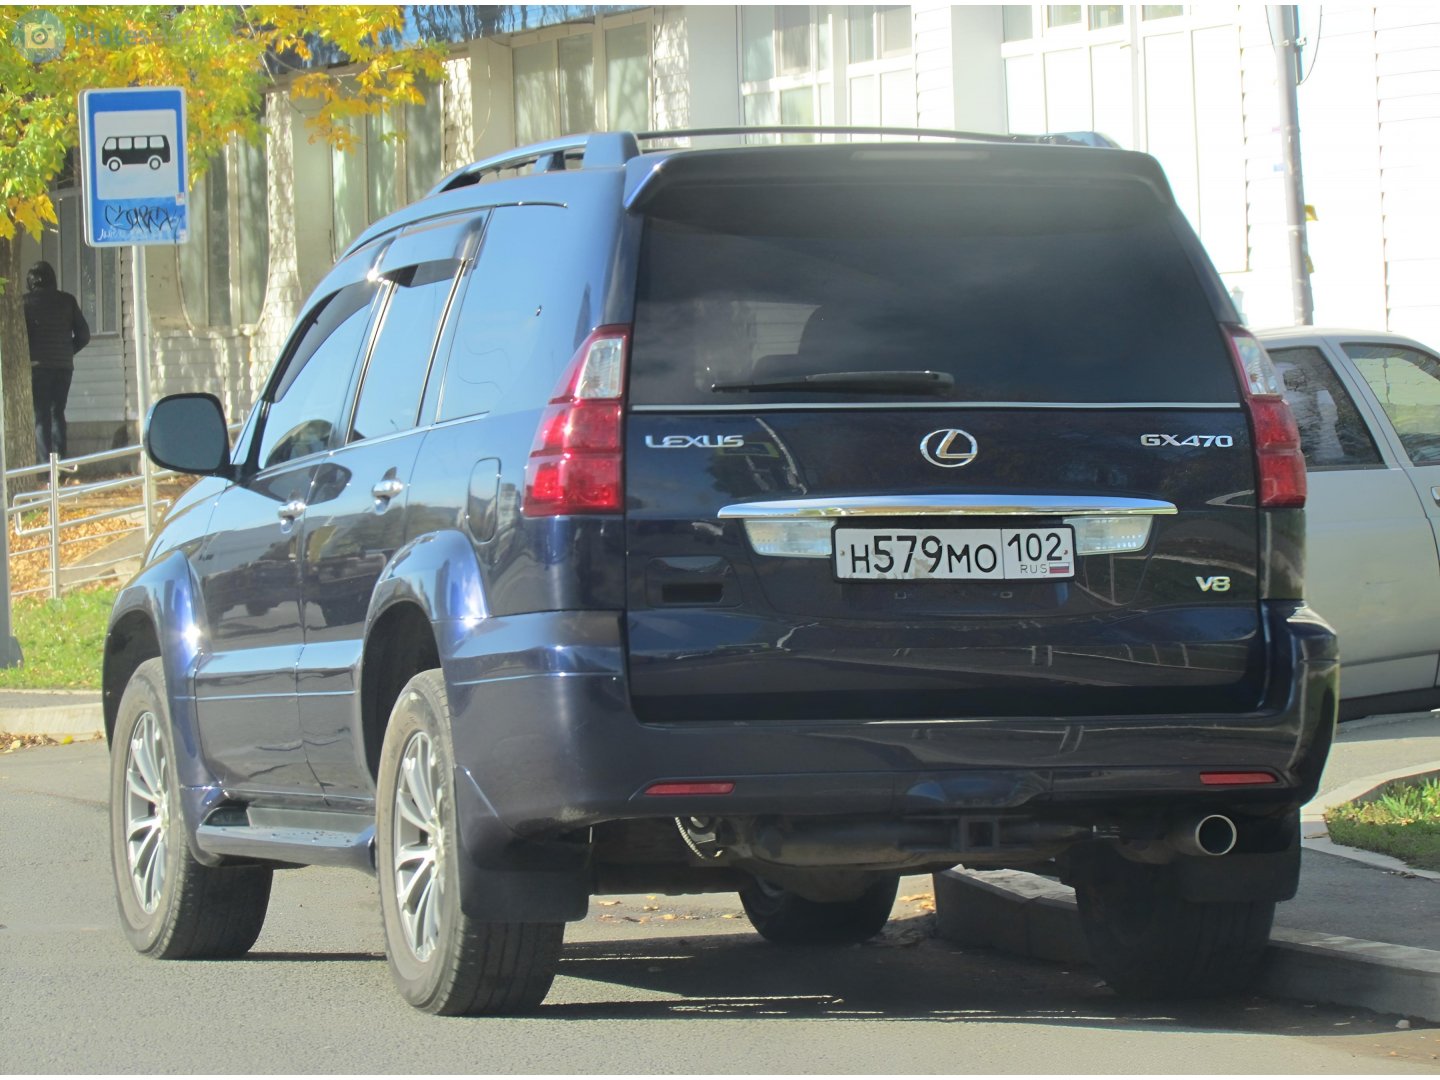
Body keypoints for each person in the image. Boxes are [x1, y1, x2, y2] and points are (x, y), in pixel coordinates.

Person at [23, 260, 89, 464]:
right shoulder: (67, 301)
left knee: (41, 415)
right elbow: (84, 335)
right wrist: (68, 351)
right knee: (57, 412)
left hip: (37, 367)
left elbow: (20, 338)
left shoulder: (24, 303)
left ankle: (45, 467)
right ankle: (60, 464)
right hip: (63, 367)